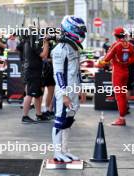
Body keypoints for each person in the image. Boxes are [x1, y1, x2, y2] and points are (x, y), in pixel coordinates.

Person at [51, 15, 87, 162]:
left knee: (69, 120)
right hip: (63, 91)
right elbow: (58, 74)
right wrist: (64, 95)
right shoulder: (60, 49)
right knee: (60, 120)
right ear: (70, 29)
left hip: (73, 89)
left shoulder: (74, 48)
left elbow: (77, 71)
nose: (83, 33)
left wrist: (81, 88)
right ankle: (57, 152)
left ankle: (65, 150)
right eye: (80, 30)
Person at [99, 27, 134, 126]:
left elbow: (107, 58)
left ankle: (121, 118)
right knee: (123, 95)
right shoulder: (129, 45)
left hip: (118, 73)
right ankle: (122, 117)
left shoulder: (116, 45)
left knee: (119, 96)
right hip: (125, 71)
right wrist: (125, 63)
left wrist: (99, 63)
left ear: (115, 36)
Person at [21, 31, 50, 123]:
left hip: (34, 71)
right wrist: (46, 42)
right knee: (30, 94)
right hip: (32, 72)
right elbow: (44, 55)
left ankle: (39, 115)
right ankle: (25, 116)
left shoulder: (28, 41)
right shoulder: (33, 42)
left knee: (38, 94)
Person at [42, 41, 56, 118]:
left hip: (49, 70)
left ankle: (47, 109)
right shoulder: (38, 44)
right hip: (43, 70)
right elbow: (43, 57)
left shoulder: (52, 45)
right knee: (41, 92)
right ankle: (45, 109)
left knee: (51, 91)